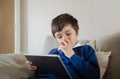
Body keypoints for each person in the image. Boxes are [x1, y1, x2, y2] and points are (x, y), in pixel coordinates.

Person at [27, 13, 100, 79]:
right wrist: (37, 69)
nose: (64, 38)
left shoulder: (86, 50)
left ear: (77, 33)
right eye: (59, 37)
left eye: (68, 34)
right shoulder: (54, 52)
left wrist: (71, 55)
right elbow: (45, 74)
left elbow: (94, 76)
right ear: (56, 39)